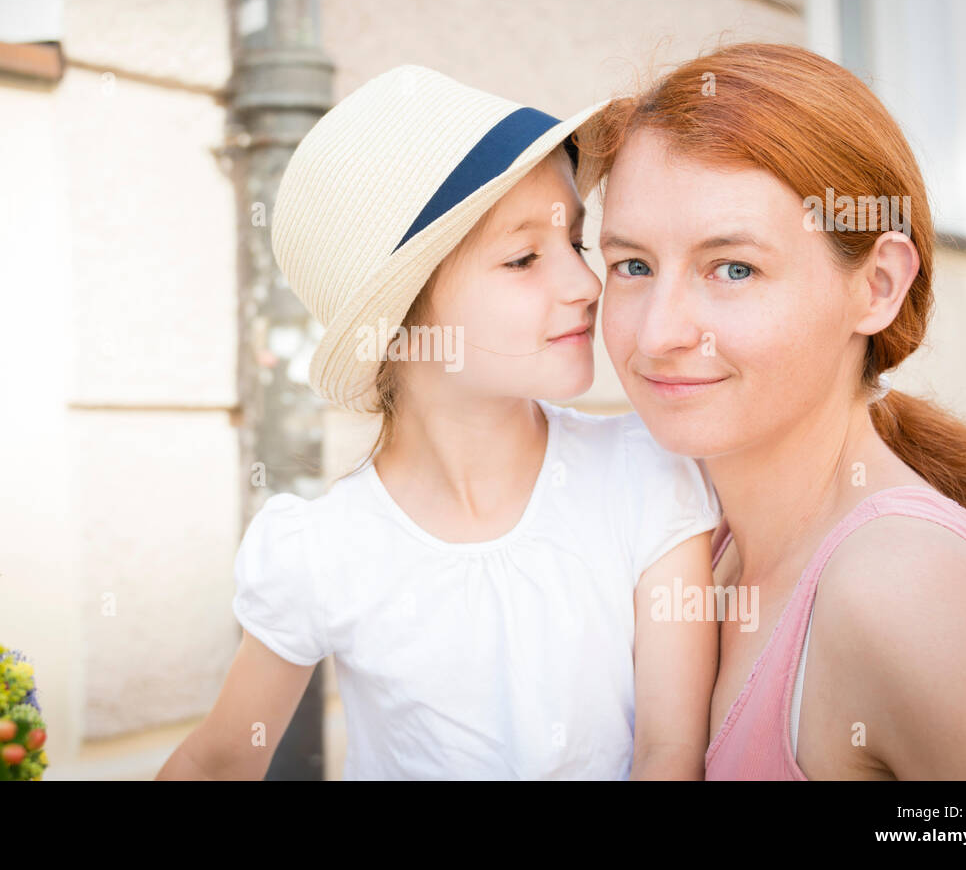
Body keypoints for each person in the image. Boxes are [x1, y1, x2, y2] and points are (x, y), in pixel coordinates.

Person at [157, 65, 722, 780]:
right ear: (400, 329)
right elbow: (217, 761)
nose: (585, 285)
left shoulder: (645, 474)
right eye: (523, 258)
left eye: (574, 244)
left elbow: (670, 753)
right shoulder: (327, 549)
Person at [576, 41, 966, 779]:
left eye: (733, 268)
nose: (657, 333)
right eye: (633, 265)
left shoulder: (904, 585)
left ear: (877, 286)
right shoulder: (693, 532)